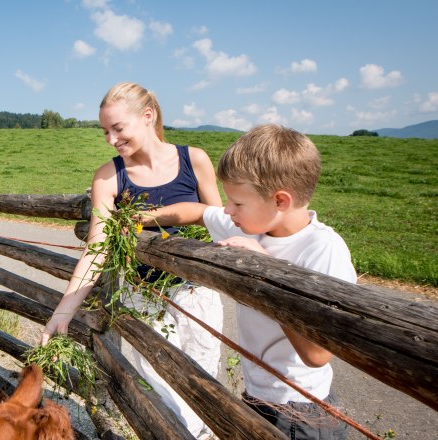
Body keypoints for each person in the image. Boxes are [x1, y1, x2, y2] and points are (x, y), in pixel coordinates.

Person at [141, 124, 355, 439]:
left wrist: (267, 271)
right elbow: (200, 211)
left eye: (238, 203)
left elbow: (317, 354)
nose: (228, 210)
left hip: (300, 412)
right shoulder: (249, 225)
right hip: (260, 398)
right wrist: (146, 218)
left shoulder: (323, 249)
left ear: (280, 201)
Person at [40, 82, 224, 439]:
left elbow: (219, 223)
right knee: (160, 396)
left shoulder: (194, 159)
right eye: (105, 131)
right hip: (142, 302)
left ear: (147, 116)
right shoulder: (109, 177)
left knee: (202, 388)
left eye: (118, 128)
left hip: (196, 295)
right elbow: (98, 249)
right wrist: (63, 310)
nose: (110, 139)